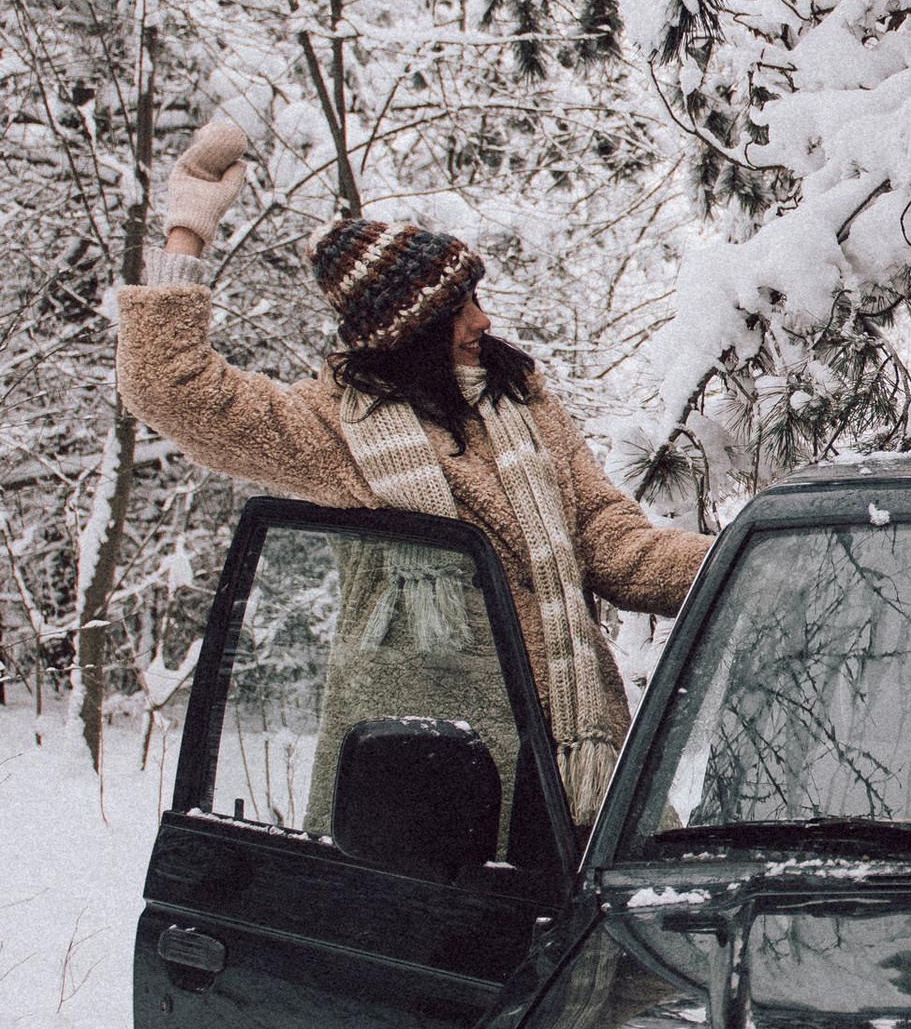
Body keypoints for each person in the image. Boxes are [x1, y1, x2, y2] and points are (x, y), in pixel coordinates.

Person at [117, 118, 712, 821]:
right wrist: (186, 232)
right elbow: (170, 386)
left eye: (477, 301)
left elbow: (611, 542)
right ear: (409, 336)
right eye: (459, 311)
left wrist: (745, 563)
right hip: (421, 787)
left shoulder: (521, 400)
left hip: (573, 764)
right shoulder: (336, 431)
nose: (482, 322)